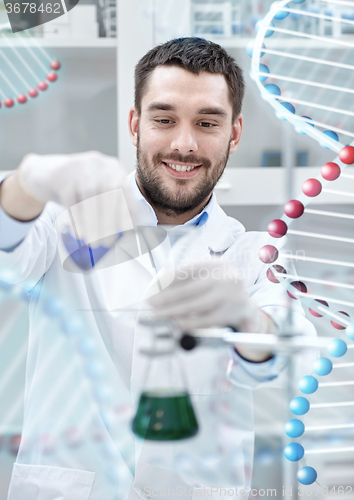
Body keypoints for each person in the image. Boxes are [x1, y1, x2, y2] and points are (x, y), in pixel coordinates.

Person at [0, 38, 315, 500]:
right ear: (135, 124)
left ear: (235, 132)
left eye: (207, 122)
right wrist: (25, 187)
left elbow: (286, 355)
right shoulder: (66, 220)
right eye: (164, 120)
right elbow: (10, 252)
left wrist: (249, 322)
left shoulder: (253, 254)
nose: (183, 144)